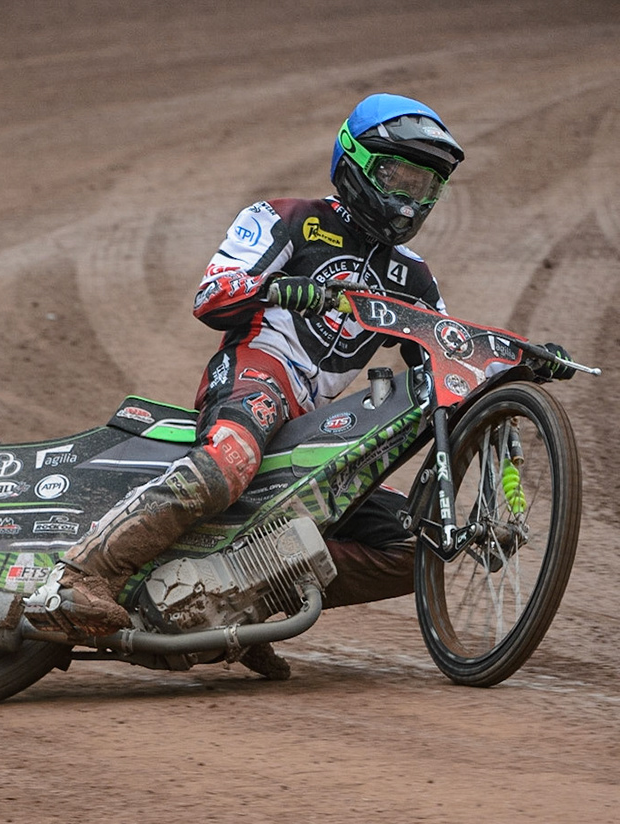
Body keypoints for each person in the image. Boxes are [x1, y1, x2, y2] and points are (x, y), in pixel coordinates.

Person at [32, 94, 469, 678]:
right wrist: (279, 288)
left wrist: (514, 367)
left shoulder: (413, 275)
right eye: (399, 177)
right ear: (357, 161)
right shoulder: (286, 217)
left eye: (425, 186)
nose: (410, 199)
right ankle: (80, 576)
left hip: (315, 424)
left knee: (416, 546)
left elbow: (445, 360)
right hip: (256, 371)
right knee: (233, 457)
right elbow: (209, 297)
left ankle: (237, 603)